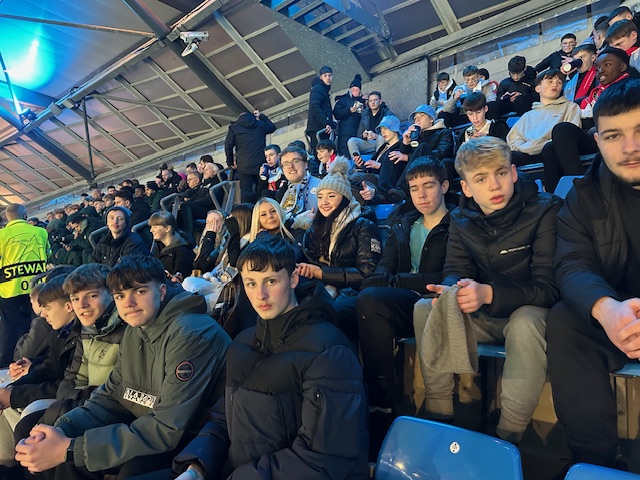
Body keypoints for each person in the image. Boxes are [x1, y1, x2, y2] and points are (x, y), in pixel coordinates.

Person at [15, 255, 232, 479]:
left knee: (85, 460)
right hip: (148, 427)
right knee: (64, 456)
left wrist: (72, 448)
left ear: (162, 291)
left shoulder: (191, 333)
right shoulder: (135, 330)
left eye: (140, 291)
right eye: (120, 296)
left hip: (195, 440)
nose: (128, 303)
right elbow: (110, 395)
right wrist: (61, 430)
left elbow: (169, 428)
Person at [171, 236, 369, 480]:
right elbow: (223, 419)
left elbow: (325, 457)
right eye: (251, 283)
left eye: (271, 281)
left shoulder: (329, 351)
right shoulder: (242, 344)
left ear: (293, 279)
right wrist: (197, 466)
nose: (260, 295)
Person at [413, 136, 561, 444]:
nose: (494, 185)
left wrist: (489, 294)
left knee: (526, 321)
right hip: (486, 315)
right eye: (481, 178)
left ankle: (509, 434)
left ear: (514, 173)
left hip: (532, 315)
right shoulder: (460, 219)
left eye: (501, 173)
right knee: (425, 308)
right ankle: (439, 412)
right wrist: (454, 290)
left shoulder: (546, 208)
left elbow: (549, 288)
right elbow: (455, 269)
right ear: (466, 188)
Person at [547, 78, 640, 471]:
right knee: (564, 319)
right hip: (620, 317)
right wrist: (607, 310)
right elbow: (572, 264)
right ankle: (592, 464)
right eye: (615, 136)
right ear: (598, 142)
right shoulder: (583, 195)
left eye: (639, 131)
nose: (630, 147)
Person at [356, 158, 454, 417]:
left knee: (370, 300)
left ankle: (381, 400)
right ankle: (355, 396)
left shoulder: (456, 224)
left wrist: (396, 281)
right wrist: (386, 280)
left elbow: (447, 276)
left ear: (444, 186)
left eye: (428, 186)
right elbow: (383, 268)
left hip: (431, 300)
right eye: (414, 188)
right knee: (349, 306)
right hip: (399, 299)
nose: (421, 195)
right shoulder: (404, 223)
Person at [11, 264, 126, 466]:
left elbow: (114, 392)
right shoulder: (86, 330)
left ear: (112, 295)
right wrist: (14, 388)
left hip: (107, 411)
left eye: (91, 296)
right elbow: (71, 377)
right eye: (76, 298)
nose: (82, 305)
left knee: (41, 434)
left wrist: (15, 394)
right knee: (33, 431)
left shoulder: (125, 332)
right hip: (81, 404)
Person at [0, 274, 80, 475]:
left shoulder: (79, 333)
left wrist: (14, 395)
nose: (43, 315)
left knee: (28, 423)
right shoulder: (61, 332)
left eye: (47, 308)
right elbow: (49, 368)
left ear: (68, 306)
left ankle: (16, 468)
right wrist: (11, 389)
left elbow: (67, 384)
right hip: (65, 393)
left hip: (75, 398)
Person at [297, 158, 381, 340]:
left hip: (353, 292)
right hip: (320, 288)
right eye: (320, 197)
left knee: (327, 315)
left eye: (331, 196)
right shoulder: (315, 228)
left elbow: (367, 273)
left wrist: (322, 274)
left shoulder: (364, 225)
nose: (324, 202)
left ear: (344, 198)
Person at [544, 47, 633, 191]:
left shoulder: (630, 87)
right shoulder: (595, 93)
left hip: (617, 137)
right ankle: (554, 199)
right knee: (550, 148)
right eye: (597, 68)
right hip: (596, 136)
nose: (601, 70)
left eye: (607, 65)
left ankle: (582, 189)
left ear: (622, 67)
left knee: (562, 129)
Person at [0, 204, 49, 368]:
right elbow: (48, 253)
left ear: (6, 217)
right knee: (36, 325)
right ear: (26, 215)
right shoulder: (41, 232)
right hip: (37, 288)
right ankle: (34, 359)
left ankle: (7, 364)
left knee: (9, 327)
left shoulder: (1, 235)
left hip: (9, 289)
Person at [506, 68, 581, 167]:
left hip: (554, 151)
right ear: (538, 88)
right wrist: (528, 148)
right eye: (550, 81)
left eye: (559, 83)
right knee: (506, 157)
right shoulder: (528, 116)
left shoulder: (570, 107)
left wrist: (539, 146)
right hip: (527, 153)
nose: (555, 85)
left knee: (550, 148)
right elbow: (513, 141)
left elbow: (570, 135)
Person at [224, 110, 277, 203]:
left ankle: (246, 210)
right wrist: (261, 116)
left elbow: (228, 146)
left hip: (243, 166)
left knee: (246, 193)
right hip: (260, 163)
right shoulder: (260, 125)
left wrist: (230, 162)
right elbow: (272, 127)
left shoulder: (234, 127)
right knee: (262, 190)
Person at [276, 146, 321, 233]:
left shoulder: (321, 185)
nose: (290, 166)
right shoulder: (282, 193)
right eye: (285, 164)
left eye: (295, 161)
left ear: (306, 164)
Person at [149, 211, 196, 281]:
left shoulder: (183, 251)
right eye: (151, 227)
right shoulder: (157, 246)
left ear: (167, 229)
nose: (151, 230)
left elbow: (179, 279)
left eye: (155, 227)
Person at [347, 91, 393, 161]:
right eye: (370, 101)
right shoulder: (365, 114)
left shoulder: (387, 113)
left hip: (383, 141)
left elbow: (392, 133)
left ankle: (379, 162)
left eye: (375, 100)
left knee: (380, 138)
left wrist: (377, 136)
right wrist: (363, 135)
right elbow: (359, 134)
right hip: (369, 142)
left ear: (380, 102)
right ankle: (358, 163)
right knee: (351, 141)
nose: (372, 102)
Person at [306, 66, 336, 154]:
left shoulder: (322, 89)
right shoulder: (318, 88)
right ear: (321, 77)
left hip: (320, 127)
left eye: (329, 75)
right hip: (318, 127)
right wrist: (326, 122)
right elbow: (315, 107)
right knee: (321, 154)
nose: (328, 78)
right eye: (325, 76)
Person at [333, 74, 364, 156]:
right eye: (353, 90)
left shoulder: (363, 102)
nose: (355, 92)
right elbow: (336, 113)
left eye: (357, 90)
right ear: (350, 89)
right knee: (345, 154)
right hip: (345, 132)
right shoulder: (343, 100)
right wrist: (349, 110)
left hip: (358, 133)